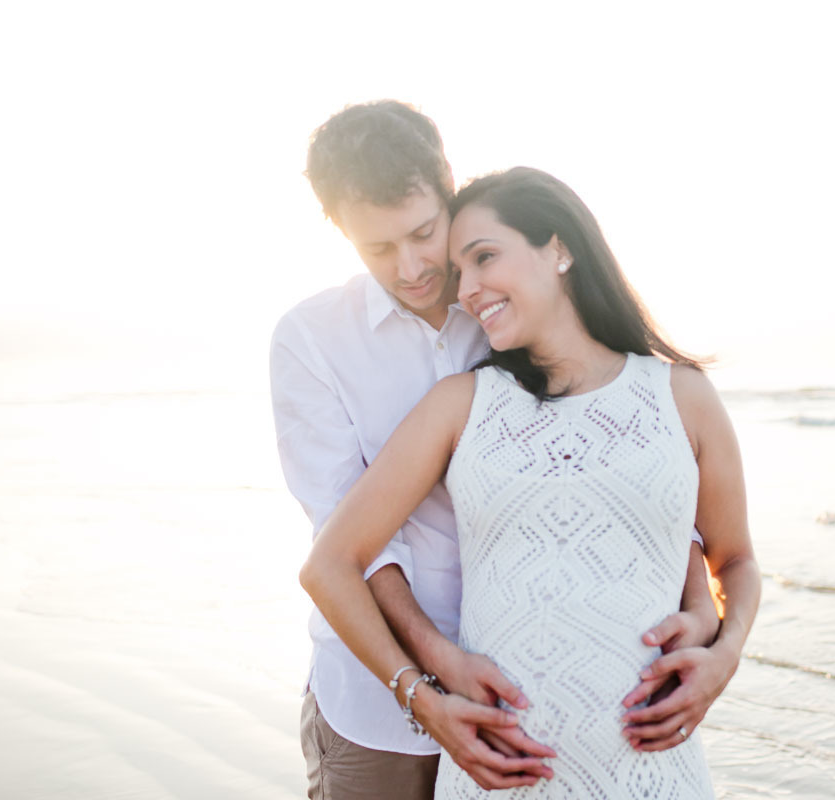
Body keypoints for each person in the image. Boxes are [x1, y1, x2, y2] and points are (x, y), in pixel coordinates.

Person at [271, 102, 733, 800]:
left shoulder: (506, 301)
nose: (414, 266)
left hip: (537, 706)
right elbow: (348, 542)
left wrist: (704, 616)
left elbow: (631, 473)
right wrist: (433, 675)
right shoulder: (312, 340)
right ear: (341, 233)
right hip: (378, 698)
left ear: (446, 183)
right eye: (378, 250)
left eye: (424, 233)